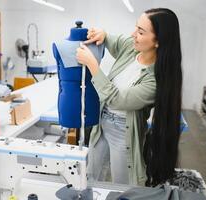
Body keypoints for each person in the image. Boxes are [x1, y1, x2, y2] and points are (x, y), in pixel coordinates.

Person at [76, 8, 182, 187]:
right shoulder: (131, 49)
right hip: (102, 124)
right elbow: (113, 40)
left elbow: (117, 99)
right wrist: (103, 34)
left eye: (141, 32)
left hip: (123, 132)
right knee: (91, 176)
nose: (133, 34)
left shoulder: (155, 80)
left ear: (158, 41)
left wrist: (92, 65)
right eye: (136, 28)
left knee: (122, 186)